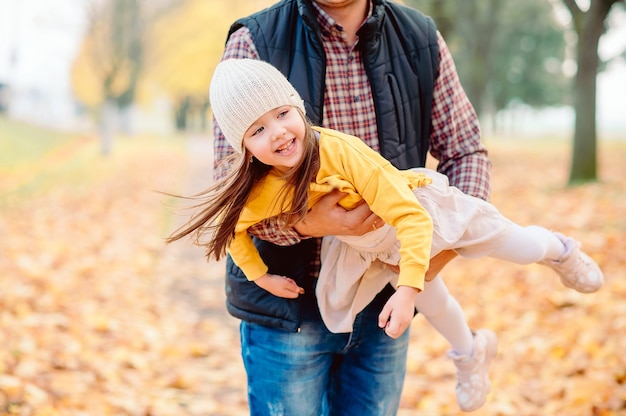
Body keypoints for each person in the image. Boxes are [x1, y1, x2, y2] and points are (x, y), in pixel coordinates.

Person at [168, 59, 604, 413]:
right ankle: (471, 352)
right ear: (242, 145)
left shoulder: (341, 152)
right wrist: (261, 275)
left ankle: (562, 250)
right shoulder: (262, 190)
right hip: (375, 248)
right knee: (435, 304)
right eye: (258, 130)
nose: (279, 132)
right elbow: (235, 231)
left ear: (299, 109)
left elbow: (412, 218)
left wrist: (409, 285)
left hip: (425, 211)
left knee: (518, 246)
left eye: (282, 114)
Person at [207, 1, 486, 415]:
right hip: (290, 309)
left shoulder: (419, 36)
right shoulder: (254, 39)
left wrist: (444, 242)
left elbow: (465, 150)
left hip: (384, 300)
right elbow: (227, 187)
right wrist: (305, 224)